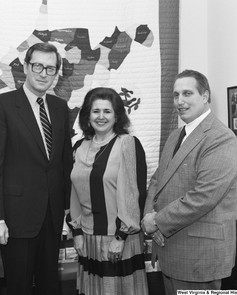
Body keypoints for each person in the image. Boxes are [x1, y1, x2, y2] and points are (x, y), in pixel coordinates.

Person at [0, 42, 72, 295]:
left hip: (52, 217)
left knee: (49, 286)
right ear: (25, 67)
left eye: (51, 69)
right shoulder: (3, 105)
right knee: (19, 287)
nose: (44, 73)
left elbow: (64, 164)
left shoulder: (59, 107)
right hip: (15, 219)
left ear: (57, 73)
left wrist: (66, 210)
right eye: (38, 66)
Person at [141, 69, 237, 293]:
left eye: (187, 93)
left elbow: (203, 196)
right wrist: (150, 218)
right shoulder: (175, 136)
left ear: (205, 96)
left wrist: (157, 221)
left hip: (199, 257)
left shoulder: (221, 138)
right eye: (176, 95)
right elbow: (158, 181)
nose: (180, 101)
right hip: (169, 249)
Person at [66, 87, 149, 295]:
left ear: (117, 116)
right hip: (88, 238)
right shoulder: (78, 146)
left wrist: (120, 237)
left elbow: (134, 193)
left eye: (107, 111)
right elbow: (72, 193)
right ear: (87, 115)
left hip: (119, 238)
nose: (101, 117)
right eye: (95, 111)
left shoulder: (127, 144)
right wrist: (76, 233)